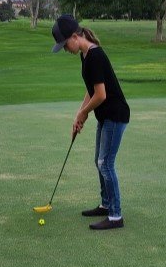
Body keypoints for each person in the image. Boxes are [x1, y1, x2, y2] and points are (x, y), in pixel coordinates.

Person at [51, 15, 130, 230]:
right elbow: (91, 90)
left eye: (65, 44)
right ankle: (106, 205)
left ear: (75, 37)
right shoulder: (85, 55)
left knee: (106, 163)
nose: (66, 49)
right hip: (105, 115)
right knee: (99, 160)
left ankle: (115, 216)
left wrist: (84, 113)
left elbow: (101, 95)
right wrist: (80, 114)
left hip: (115, 115)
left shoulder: (95, 55)